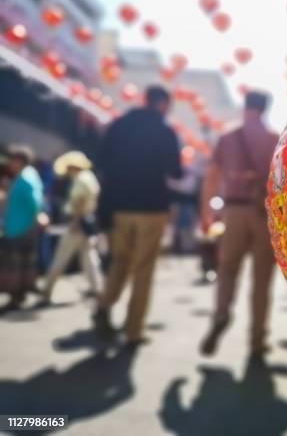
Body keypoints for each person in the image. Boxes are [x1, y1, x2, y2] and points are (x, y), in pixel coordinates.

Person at [93, 86, 182, 345]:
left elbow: (102, 163)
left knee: (120, 261)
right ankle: (133, 330)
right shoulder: (165, 132)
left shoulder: (119, 126)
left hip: (120, 206)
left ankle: (104, 304)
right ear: (163, 104)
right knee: (143, 269)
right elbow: (175, 172)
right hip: (152, 207)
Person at [199, 91, 278, 356]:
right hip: (264, 216)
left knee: (227, 270)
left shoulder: (228, 137)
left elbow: (212, 176)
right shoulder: (275, 139)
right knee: (262, 281)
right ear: (265, 108)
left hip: (233, 211)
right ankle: (257, 341)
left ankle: (221, 313)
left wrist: (206, 213)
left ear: (245, 106)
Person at [39, 151, 102, 304]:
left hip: (78, 223)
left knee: (62, 256)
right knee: (88, 257)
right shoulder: (89, 177)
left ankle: (47, 290)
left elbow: (79, 200)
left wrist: (75, 220)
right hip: (86, 222)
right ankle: (98, 289)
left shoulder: (80, 179)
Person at [0, 145, 43, 310]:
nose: (9, 164)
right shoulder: (29, 174)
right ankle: (20, 294)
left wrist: (37, 215)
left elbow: (34, 201)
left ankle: (15, 297)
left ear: (19, 161)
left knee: (14, 264)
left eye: (11, 160)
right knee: (24, 263)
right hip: (22, 225)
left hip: (19, 227)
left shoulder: (24, 178)